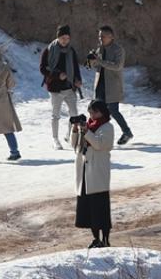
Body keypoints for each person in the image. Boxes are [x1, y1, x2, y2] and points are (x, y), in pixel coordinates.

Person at [73, 100, 115, 248]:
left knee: (101, 208)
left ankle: (105, 239)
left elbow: (101, 144)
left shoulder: (107, 127)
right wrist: (75, 129)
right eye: (91, 112)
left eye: (95, 112)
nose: (92, 115)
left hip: (98, 172)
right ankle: (96, 238)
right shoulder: (88, 127)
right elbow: (75, 145)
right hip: (85, 171)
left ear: (102, 112)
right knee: (90, 209)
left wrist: (87, 132)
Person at [88, 25, 133, 145]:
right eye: (99, 36)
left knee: (113, 111)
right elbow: (96, 66)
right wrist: (91, 61)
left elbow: (117, 66)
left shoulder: (118, 49)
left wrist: (100, 61)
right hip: (100, 84)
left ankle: (127, 132)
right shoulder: (100, 49)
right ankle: (95, 133)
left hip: (112, 86)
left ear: (111, 37)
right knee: (96, 110)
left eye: (103, 36)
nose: (100, 39)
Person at [40, 25, 83, 150]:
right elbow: (43, 68)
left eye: (67, 38)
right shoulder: (49, 50)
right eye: (62, 38)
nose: (65, 40)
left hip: (69, 87)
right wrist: (57, 75)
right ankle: (55, 139)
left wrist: (78, 80)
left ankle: (68, 135)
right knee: (56, 115)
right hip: (55, 88)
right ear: (58, 37)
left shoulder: (71, 50)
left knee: (74, 113)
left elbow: (75, 67)